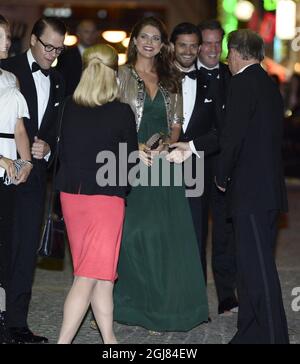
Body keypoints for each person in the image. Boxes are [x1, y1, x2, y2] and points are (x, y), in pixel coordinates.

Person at [113, 16, 208, 333]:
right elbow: (111, 119)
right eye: (144, 36)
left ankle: (166, 308)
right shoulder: (120, 76)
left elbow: (177, 123)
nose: (150, 42)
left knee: (167, 238)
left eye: (156, 37)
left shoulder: (171, 79)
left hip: (165, 166)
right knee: (135, 236)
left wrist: (165, 145)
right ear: (135, 40)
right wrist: (135, 146)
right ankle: (135, 306)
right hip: (131, 163)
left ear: (162, 43)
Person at [56, 44, 138, 344]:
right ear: (114, 73)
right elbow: (128, 163)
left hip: (72, 198)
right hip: (105, 201)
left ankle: (109, 339)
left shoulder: (67, 106)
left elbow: (61, 153)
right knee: (88, 276)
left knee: (102, 276)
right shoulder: (120, 112)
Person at [215, 29, 289, 344]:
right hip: (266, 190)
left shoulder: (242, 83)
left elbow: (232, 137)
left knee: (258, 270)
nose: (226, 60)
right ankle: (249, 332)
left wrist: (221, 175)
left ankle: (273, 336)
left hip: (250, 192)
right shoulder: (268, 84)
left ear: (239, 53)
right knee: (250, 267)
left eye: (228, 53)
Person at [1, 16, 66, 344]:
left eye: (59, 48)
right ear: (33, 41)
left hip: (34, 176)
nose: (53, 54)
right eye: (48, 46)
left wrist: (49, 147)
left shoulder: (58, 81)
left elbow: (57, 130)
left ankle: (16, 324)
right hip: (3, 172)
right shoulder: (7, 67)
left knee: (26, 249)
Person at [169, 20, 238, 315]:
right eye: (205, 43)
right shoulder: (178, 75)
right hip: (189, 163)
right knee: (194, 231)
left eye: (215, 43)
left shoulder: (232, 76)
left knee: (224, 230)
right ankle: (195, 297)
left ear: (221, 45)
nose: (210, 48)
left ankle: (226, 295)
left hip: (222, 165)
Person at [0, 14, 32, 344]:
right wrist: (2, 158)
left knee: (5, 249)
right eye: (2, 36)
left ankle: (2, 319)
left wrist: (26, 162)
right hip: (0, 162)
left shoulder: (11, 78)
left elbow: (20, 128)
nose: (8, 41)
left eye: (9, 36)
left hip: (8, 174)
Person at [56, 19, 98, 97]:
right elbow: (61, 82)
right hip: (71, 101)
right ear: (78, 33)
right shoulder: (66, 56)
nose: (90, 35)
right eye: (86, 32)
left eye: (93, 32)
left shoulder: (99, 56)